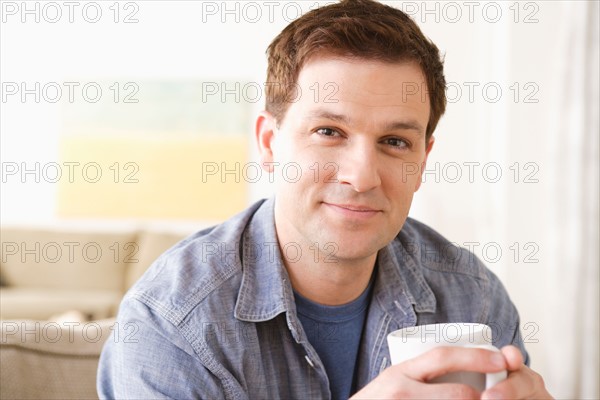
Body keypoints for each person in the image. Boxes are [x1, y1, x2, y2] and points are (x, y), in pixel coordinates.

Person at [97, 0, 552, 398]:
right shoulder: (172, 324)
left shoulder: (474, 299)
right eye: (328, 132)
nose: (361, 177)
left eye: (394, 142)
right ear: (269, 144)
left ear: (422, 160)